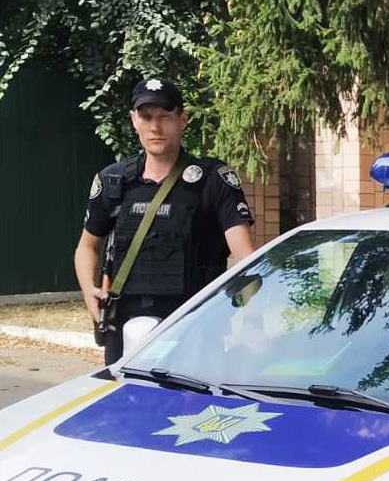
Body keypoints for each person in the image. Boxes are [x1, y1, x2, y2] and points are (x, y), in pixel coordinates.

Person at [73, 78, 256, 364]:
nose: (155, 127)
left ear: (182, 119)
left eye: (165, 117)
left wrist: (248, 316)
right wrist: (89, 290)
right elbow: (87, 246)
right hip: (125, 332)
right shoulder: (114, 181)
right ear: (134, 120)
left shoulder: (213, 180)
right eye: (146, 117)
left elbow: (246, 257)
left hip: (195, 328)